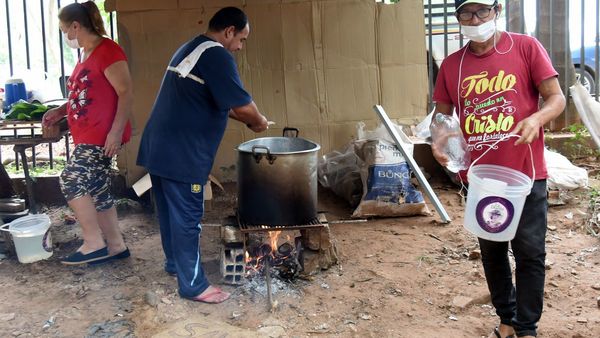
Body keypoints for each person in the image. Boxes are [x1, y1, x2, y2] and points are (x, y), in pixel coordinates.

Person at [431, 1, 566, 337]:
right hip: (482, 179)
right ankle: (507, 321)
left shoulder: (525, 47)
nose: (475, 20)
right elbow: (442, 116)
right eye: (467, 14)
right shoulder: (452, 66)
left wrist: (536, 118)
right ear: (458, 18)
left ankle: (527, 328)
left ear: (497, 11)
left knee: (530, 253)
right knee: (493, 253)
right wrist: (441, 138)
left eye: (482, 12)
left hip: (527, 173)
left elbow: (556, 98)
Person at [137, 7, 268, 304]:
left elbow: (222, 104)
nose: (239, 47)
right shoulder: (217, 55)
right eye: (241, 40)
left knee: (171, 214)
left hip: (160, 147)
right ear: (229, 31)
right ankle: (193, 285)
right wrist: (257, 121)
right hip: (183, 153)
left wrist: (250, 119)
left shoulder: (191, 47)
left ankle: (176, 266)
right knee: (187, 217)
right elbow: (244, 106)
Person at [42, 2, 132, 265]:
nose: (64, 35)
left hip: (102, 135)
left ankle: (93, 243)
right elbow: (85, 93)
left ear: (75, 26)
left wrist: (115, 134)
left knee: (71, 179)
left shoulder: (108, 50)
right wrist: (61, 111)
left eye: (63, 29)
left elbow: (125, 93)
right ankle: (116, 245)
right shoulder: (85, 54)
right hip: (89, 134)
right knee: (97, 188)